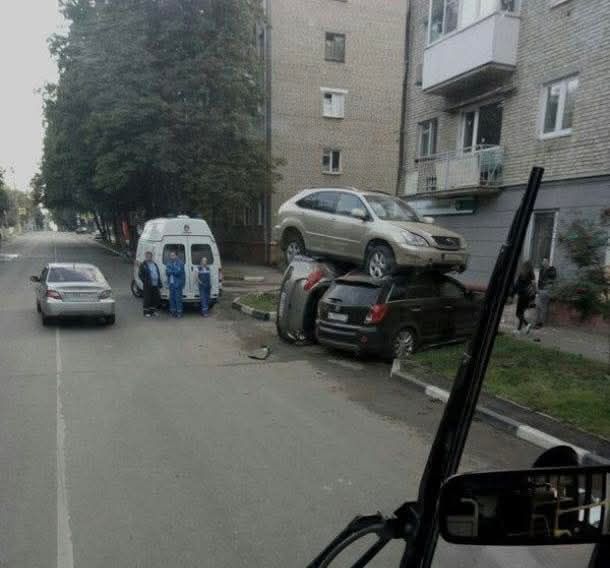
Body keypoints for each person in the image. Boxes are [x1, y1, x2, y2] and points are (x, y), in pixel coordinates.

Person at [513, 260, 535, 334]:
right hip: (528, 295)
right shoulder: (532, 274)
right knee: (521, 313)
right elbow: (533, 284)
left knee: (518, 313)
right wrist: (533, 295)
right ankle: (521, 328)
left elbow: (517, 285)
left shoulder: (522, 274)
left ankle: (525, 325)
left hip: (522, 295)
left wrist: (513, 293)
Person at [138, 251, 162, 317]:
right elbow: (140, 274)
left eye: (150, 256)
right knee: (147, 298)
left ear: (151, 257)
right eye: (147, 256)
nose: (149, 257)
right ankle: (146, 312)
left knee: (155, 298)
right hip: (147, 284)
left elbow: (157, 272)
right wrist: (145, 281)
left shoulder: (154, 264)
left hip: (155, 284)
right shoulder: (143, 265)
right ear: (145, 257)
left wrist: (159, 282)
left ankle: (153, 311)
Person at [535, 258, 557, 328]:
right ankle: (537, 322)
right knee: (537, 306)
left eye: (545, 261)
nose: (543, 263)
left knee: (543, 307)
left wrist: (547, 268)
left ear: (548, 262)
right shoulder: (541, 270)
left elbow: (553, 277)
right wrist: (537, 289)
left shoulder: (552, 269)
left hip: (547, 290)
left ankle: (541, 323)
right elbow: (539, 280)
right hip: (540, 290)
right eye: (543, 261)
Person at [165, 250, 185, 318]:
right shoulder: (169, 263)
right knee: (172, 299)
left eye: (173, 255)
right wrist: (173, 270)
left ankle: (179, 313)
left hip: (178, 284)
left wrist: (171, 270)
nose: (172, 257)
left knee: (178, 299)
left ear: (176, 256)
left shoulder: (180, 263)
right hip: (171, 284)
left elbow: (178, 272)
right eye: (171, 255)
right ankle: (173, 312)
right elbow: (167, 272)